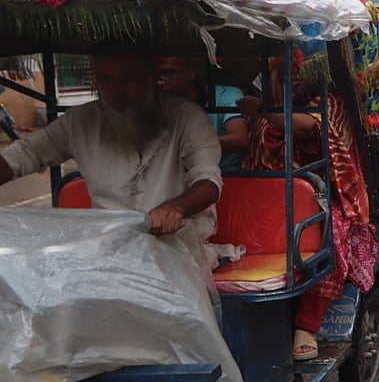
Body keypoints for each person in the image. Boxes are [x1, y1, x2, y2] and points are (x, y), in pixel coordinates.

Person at [0, 44, 224, 258]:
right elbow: (24, 155)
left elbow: (208, 181)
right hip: (106, 248)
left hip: (178, 248)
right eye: (107, 80)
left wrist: (175, 208)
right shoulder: (79, 121)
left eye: (129, 78)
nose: (117, 91)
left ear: (151, 76)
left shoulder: (187, 117)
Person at [236, 53, 377, 361]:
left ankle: (307, 326)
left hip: (324, 197)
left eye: (299, 73)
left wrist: (265, 112)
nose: (293, 81)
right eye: (285, 74)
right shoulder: (267, 105)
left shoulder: (331, 101)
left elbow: (306, 129)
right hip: (268, 196)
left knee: (334, 237)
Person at [156, 56, 250, 172]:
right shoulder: (156, 104)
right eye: (156, 75)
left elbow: (239, 140)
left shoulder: (226, 95)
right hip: (179, 177)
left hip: (226, 175)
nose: (160, 81)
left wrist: (186, 143)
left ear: (191, 73)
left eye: (169, 73)